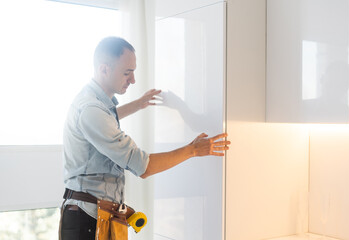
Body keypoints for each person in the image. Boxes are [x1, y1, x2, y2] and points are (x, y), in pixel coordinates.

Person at [59, 36, 230, 240]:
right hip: (88, 221)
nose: (133, 80)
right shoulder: (91, 111)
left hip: (94, 216)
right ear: (104, 69)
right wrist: (193, 150)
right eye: (127, 73)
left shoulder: (93, 103)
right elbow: (144, 167)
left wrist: (138, 104)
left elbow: (105, 119)